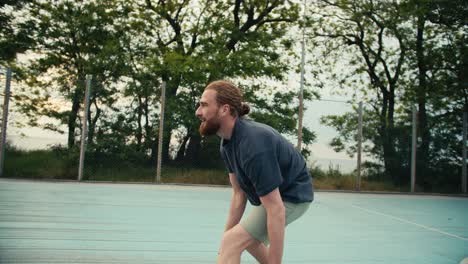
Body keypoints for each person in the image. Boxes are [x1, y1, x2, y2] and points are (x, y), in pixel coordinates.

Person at [195, 80, 314, 264]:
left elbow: (276, 209)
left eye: (204, 105)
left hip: (292, 196)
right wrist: (224, 245)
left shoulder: (253, 145)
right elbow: (238, 195)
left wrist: (229, 244)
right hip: (278, 198)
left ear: (224, 109)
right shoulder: (227, 144)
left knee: (234, 241)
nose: (198, 112)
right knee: (237, 239)